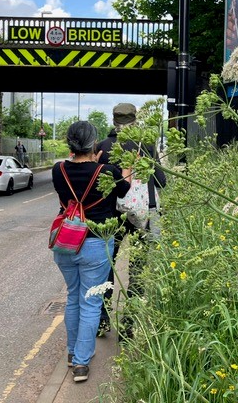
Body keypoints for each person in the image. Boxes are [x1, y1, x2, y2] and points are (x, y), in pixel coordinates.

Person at [51, 121, 130, 383]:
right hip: (95, 243)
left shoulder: (58, 170)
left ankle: (73, 354)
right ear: (94, 143)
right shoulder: (106, 171)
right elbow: (125, 190)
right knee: (91, 302)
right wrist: (125, 170)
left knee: (73, 297)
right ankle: (82, 365)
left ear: (69, 143)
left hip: (66, 242)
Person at [95, 102, 167, 339]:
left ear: (113, 120)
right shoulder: (144, 144)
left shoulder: (103, 147)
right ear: (135, 120)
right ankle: (128, 325)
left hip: (111, 217)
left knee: (108, 267)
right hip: (140, 216)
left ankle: (102, 321)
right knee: (137, 269)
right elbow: (161, 180)